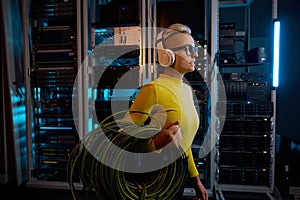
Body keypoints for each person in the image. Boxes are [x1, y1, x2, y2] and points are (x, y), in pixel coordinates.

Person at [124, 23, 208, 200]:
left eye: (195, 49)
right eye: (188, 49)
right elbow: (123, 140)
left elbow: (184, 145)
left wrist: (195, 180)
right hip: (154, 179)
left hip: (178, 176)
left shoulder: (186, 89)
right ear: (167, 56)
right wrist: (154, 144)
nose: (195, 54)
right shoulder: (153, 90)